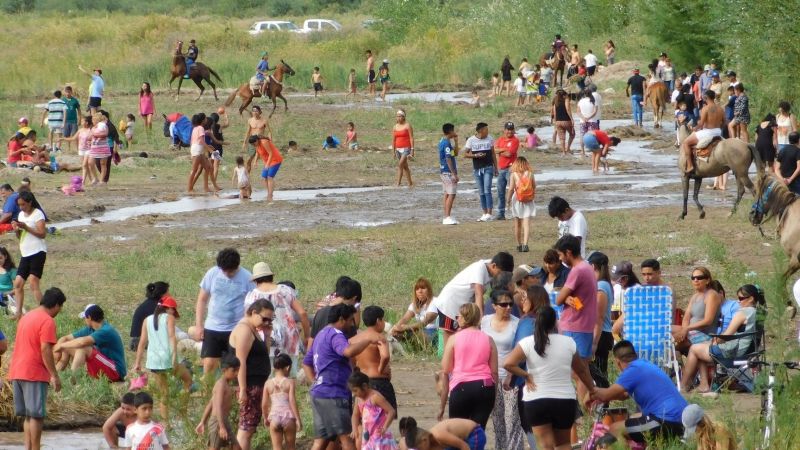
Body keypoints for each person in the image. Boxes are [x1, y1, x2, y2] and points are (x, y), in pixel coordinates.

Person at [503, 305, 596, 450]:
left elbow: (508, 363)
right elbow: (582, 371)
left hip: (536, 399)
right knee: (563, 444)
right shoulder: (568, 342)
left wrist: (526, 375)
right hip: (564, 400)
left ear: (536, 322)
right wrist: (592, 389)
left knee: (545, 446)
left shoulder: (527, 342)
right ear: (555, 322)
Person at [303, 303, 378, 450]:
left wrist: (315, 382)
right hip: (334, 394)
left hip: (320, 394)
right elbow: (348, 351)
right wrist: (368, 340)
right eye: (350, 320)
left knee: (322, 441)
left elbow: (306, 363)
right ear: (342, 319)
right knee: (347, 438)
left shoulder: (321, 334)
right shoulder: (335, 334)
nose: (352, 324)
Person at [591, 341, 688, 445]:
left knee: (615, 428)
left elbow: (605, 395)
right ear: (635, 355)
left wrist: (590, 393)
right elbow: (624, 395)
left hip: (665, 420)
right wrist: (606, 395)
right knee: (633, 418)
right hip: (683, 418)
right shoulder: (644, 364)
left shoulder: (632, 371)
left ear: (617, 362)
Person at [7, 287, 65, 450]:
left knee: (28, 416)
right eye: (60, 308)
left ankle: (29, 448)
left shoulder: (26, 317)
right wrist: (54, 375)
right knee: (37, 416)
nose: (59, 311)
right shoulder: (47, 321)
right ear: (56, 305)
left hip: (17, 371)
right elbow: (45, 349)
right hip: (34, 373)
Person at [681, 284, 763, 392]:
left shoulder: (743, 313)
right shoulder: (760, 313)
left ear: (751, 298)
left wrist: (714, 342)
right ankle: (703, 384)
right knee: (700, 348)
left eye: (741, 298)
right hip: (750, 353)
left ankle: (683, 386)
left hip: (734, 354)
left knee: (694, 349)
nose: (738, 301)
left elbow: (727, 334)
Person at [194, 248, 255, 375]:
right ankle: (208, 391)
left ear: (237, 265)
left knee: (233, 367)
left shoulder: (247, 278)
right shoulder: (212, 273)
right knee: (209, 365)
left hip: (235, 328)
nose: (227, 273)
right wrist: (199, 326)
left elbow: (252, 307)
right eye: (224, 270)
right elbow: (202, 300)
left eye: (231, 271)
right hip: (212, 327)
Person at [554, 234, 598, 408]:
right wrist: (567, 298)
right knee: (582, 369)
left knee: (578, 371)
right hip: (585, 325)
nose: (560, 259)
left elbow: (558, 299)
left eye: (561, 255)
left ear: (568, 252)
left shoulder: (577, 271)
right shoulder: (587, 267)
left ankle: (584, 404)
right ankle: (590, 398)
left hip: (574, 325)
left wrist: (564, 298)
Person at [132, 295, 194, 418]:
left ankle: (166, 423)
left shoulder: (147, 320)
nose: (174, 313)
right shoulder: (169, 318)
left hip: (154, 361)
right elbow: (172, 337)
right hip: (167, 359)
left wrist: (137, 363)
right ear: (169, 308)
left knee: (164, 393)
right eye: (174, 310)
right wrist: (174, 357)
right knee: (188, 380)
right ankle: (183, 412)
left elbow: (142, 342)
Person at [434, 252, 513, 346]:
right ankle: (448, 357)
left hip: (464, 304)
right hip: (450, 303)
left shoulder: (491, 266)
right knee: (450, 332)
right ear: (494, 266)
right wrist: (481, 320)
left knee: (462, 333)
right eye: (500, 273)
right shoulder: (479, 269)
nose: (500, 276)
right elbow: (478, 294)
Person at [244, 261, 310, 373]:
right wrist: (307, 336)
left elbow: (248, 321)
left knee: (269, 374)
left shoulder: (253, 296)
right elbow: (302, 313)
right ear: (271, 277)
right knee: (290, 374)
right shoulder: (285, 290)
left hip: (266, 338)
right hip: (289, 338)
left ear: (255, 280)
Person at [439, 303, 497, 428]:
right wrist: (494, 395)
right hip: (485, 387)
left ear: (465, 318)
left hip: (462, 387)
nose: (457, 319)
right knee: (478, 431)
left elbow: (445, 368)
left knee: (458, 433)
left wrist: (442, 406)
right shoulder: (489, 339)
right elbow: (494, 372)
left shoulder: (454, 339)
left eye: (458, 316)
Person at [480, 290, 523, 450]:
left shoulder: (516, 323)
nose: (508, 308)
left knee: (512, 420)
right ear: (494, 306)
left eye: (510, 304)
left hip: (510, 379)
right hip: (490, 377)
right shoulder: (484, 322)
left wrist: (511, 375)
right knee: (498, 420)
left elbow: (519, 352)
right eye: (503, 304)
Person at [230, 299, 274, 450]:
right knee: (246, 429)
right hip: (249, 385)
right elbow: (240, 361)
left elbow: (263, 354)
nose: (267, 322)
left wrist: (267, 335)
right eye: (265, 318)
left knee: (249, 428)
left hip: (255, 385)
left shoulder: (253, 329)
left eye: (270, 320)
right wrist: (243, 389)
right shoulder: (244, 330)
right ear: (254, 312)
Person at [54, 304, 126, 381]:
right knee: (67, 347)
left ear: (89, 317)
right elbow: (66, 338)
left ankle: (72, 380)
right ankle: (53, 376)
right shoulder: (90, 329)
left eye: (85, 318)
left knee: (83, 348)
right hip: (103, 364)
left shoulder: (106, 330)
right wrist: (58, 350)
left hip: (115, 370)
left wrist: (61, 346)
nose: (84, 320)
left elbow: (82, 342)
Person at [351, 306, 396, 412]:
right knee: (381, 419)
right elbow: (385, 355)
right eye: (383, 319)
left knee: (361, 417)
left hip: (360, 382)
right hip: (378, 381)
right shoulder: (379, 337)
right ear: (378, 321)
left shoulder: (353, 340)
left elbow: (352, 362)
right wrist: (381, 368)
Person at [12, 191, 47, 320]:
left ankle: (45, 312)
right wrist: (17, 230)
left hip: (38, 252)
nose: (21, 207)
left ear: (30, 202)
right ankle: (18, 313)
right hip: (25, 253)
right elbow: (20, 236)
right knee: (18, 283)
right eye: (19, 205)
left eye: (23, 204)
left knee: (33, 283)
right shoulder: (20, 215)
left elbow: (42, 234)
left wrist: (26, 227)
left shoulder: (38, 214)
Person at [196, 353, 241, 450]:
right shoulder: (220, 384)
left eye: (238, 370)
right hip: (217, 422)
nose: (237, 373)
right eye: (234, 370)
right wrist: (221, 426)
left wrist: (202, 422)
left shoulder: (226, 385)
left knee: (236, 447)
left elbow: (210, 403)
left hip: (223, 421)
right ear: (224, 370)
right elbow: (217, 405)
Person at [673, 267, 722, 354]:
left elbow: (708, 321)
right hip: (691, 331)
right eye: (693, 278)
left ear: (707, 280)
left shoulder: (711, 295)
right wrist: (684, 330)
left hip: (705, 334)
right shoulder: (695, 296)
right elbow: (686, 317)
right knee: (665, 329)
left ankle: (670, 352)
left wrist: (686, 329)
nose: (696, 280)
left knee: (672, 346)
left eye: (699, 278)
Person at [349, 369, 398, 450]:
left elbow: (391, 411)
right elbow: (355, 415)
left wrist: (385, 427)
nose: (354, 394)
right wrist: (354, 429)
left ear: (364, 386)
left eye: (355, 390)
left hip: (380, 435)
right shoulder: (358, 399)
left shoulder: (375, 397)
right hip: (368, 435)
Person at [262, 354, 301, 450]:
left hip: (274, 418)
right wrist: (298, 419)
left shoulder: (268, 383)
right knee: (291, 448)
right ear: (287, 368)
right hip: (288, 418)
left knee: (276, 448)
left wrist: (265, 418)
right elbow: (292, 401)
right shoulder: (290, 382)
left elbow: (264, 404)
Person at [682, 90, 725, 173]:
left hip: (708, 132)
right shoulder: (720, 109)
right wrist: (719, 129)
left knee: (686, 143)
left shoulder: (705, 108)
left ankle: (690, 165)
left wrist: (694, 128)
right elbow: (724, 122)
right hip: (718, 132)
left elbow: (701, 124)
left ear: (706, 98)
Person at [587, 252, 613, 377]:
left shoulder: (601, 286)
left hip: (600, 335)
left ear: (592, 267)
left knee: (599, 375)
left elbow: (598, 318)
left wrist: (593, 343)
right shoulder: (604, 284)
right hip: (602, 334)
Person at [464, 122, 497, 222]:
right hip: (477, 169)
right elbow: (465, 154)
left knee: (487, 190)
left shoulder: (490, 139)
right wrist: (475, 156)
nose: (488, 131)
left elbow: (493, 154)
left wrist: (496, 167)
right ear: (480, 131)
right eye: (486, 129)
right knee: (481, 192)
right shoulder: (471, 140)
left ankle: (489, 213)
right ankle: (484, 212)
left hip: (488, 167)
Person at [392, 278, 438, 344]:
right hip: (420, 330)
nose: (420, 291)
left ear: (429, 290)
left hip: (434, 331)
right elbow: (405, 318)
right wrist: (396, 328)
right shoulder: (414, 304)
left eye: (423, 288)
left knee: (410, 335)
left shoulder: (435, 301)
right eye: (417, 289)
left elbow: (426, 321)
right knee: (397, 334)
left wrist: (406, 327)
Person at [505, 156, 536, 252]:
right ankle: (526, 245)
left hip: (517, 199)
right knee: (526, 224)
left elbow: (511, 189)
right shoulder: (530, 174)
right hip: (528, 200)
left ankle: (519, 245)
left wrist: (508, 200)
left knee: (517, 224)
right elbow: (534, 186)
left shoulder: (513, 175)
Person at [399, 417, 485, 450]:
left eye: (420, 449)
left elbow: (464, 447)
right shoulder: (430, 441)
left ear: (424, 440)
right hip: (460, 440)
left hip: (474, 434)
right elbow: (402, 441)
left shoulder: (439, 435)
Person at [130, 282, 170, 351]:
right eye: (167, 293)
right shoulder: (156, 307)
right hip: (140, 341)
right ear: (162, 294)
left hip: (137, 340)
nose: (169, 295)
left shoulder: (150, 303)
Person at [495, 121, 520, 221]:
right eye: (508, 129)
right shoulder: (500, 139)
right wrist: (503, 150)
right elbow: (494, 150)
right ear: (504, 130)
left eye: (511, 129)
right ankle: (501, 213)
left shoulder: (515, 140)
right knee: (500, 192)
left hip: (512, 169)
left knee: (513, 191)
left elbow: (509, 154)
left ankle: (515, 212)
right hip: (501, 168)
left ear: (513, 130)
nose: (509, 131)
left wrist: (499, 151)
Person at [249, 135, 284, 202]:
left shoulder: (264, 142)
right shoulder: (256, 145)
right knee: (264, 177)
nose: (253, 145)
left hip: (275, 160)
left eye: (254, 144)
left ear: (257, 140)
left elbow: (271, 153)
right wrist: (255, 161)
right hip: (267, 161)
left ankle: (270, 195)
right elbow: (257, 153)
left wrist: (267, 164)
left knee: (270, 177)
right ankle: (269, 193)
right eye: (252, 145)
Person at [439, 123, 460, 225]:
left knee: (447, 193)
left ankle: (447, 216)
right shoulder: (446, 144)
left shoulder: (444, 142)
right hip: (448, 172)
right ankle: (447, 217)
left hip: (443, 171)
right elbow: (448, 159)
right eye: (453, 130)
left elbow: (455, 154)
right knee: (451, 194)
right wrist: (454, 173)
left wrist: (456, 142)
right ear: (450, 131)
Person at [243, 106, 271, 173]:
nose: (254, 112)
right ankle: (247, 177)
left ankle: (267, 174)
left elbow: (269, 131)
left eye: (256, 111)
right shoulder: (250, 120)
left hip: (261, 141)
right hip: (252, 141)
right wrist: (244, 142)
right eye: (253, 111)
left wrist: (270, 140)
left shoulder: (264, 120)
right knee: (248, 160)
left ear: (260, 112)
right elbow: (248, 131)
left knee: (265, 158)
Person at [392, 109, 414, 187]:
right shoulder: (395, 127)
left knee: (400, 164)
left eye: (400, 116)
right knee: (405, 166)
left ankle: (398, 183)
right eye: (397, 116)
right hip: (397, 149)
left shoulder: (407, 125)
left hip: (406, 148)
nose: (398, 118)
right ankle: (410, 183)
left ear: (404, 117)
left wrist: (412, 150)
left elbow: (411, 138)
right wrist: (393, 151)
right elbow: (393, 140)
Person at [551, 89, 574, 156]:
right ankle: (568, 148)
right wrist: (572, 119)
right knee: (572, 134)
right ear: (564, 95)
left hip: (558, 121)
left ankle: (564, 152)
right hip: (566, 120)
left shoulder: (555, 102)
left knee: (562, 138)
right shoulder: (566, 100)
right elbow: (568, 109)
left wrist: (555, 121)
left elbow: (554, 113)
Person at [576, 90, 599, 158]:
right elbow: (595, 112)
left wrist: (583, 118)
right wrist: (588, 118)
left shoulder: (581, 101)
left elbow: (578, 112)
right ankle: (593, 152)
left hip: (582, 121)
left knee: (582, 136)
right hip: (592, 121)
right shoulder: (594, 101)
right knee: (592, 137)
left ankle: (582, 151)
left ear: (584, 94)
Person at [62, 86, 81, 151]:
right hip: (65, 121)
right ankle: (68, 148)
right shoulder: (62, 100)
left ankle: (77, 149)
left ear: (71, 92)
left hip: (74, 121)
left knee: (75, 135)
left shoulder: (75, 100)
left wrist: (79, 119)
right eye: (66, 92)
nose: (67, 93)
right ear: (64, 92)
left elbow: (79, 110)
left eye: (69, 92)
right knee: (66, 135)